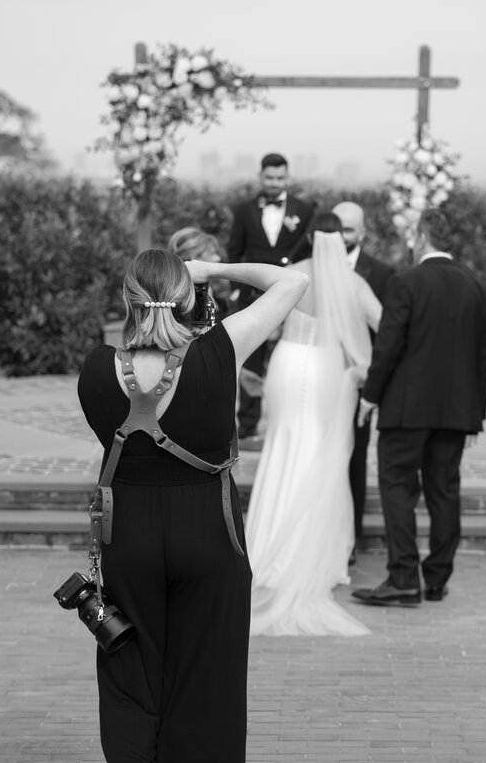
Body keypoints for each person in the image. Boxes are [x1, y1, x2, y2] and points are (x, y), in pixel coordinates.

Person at [77, 247, 308, 763]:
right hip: (208, 532)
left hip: (129, 536)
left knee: (128, 669)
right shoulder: (219, 350)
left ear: (127, 298)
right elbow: (294, 281)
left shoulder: (96, 369)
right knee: (197, 675)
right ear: (185, 296)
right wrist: (215, 271)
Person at [246, 213, 382, 636]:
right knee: (320, 451)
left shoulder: (293, 275)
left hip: (289, 363)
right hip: (326, 368)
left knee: (284, 444)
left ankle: (269, 547)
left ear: (308, 237)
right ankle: (315, 551)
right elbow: (386, 325)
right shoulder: (353, 283)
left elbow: (261, 321)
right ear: (340, 241)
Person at [352, 209, 486, 607]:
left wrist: (370, 396)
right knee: (444, 490)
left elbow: (388, 347)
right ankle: (436, 580)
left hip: (407, 409)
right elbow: (484, 357)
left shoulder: (405, 282)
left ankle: (403, 578)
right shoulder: (478, 286)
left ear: (421, 237)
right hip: (457, 411)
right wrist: (476, 416)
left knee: (397, 485)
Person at [227, 153, 315, 439]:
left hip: (293, 296)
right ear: (261, 176)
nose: (275, 183)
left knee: (288, 357)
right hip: (252, 295)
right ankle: (248, 425)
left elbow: (308, 253)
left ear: (287, 177)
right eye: (270, 177)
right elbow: (235, 250)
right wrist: (236, 289)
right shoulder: (244, 210)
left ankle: (287, 423)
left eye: (280, 177)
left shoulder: (306, 210)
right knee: (251, 357)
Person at [331, 201, 395, 556]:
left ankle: (350, 539)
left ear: (363, 232)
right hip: (319, 377)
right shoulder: (309, 269)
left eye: (349, 230)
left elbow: (387, 333)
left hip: (358, 381)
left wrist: (373, 379)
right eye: (337, 228)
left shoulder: (382, 274)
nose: (342, 236)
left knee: (354, 458)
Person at [168, 226, 232, 322]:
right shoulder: (191, 299)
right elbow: (207, 328)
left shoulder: (209, 291)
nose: (218, 258)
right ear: (194, 258)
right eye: (212, 253)